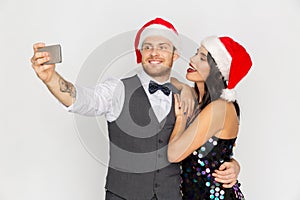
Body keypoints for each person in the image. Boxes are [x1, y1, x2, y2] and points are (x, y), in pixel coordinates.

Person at [31, 17, 240, 200]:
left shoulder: (191, 99)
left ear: (175, 55)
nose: (154, 52)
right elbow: (83, 99)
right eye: (148, 46)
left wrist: (233, 164)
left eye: (163, 47)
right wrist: (51, 79)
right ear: (140, 53)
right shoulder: (118, 89)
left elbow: (210, 146)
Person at [168, 36, 252, 199]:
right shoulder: (199, 100)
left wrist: (181, 119)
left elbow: (174, 154)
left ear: (219, 72)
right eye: (195, 53)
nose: (192, 60)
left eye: (202, 58)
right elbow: (166, 80)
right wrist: (184, 87)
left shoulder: (220, 108)